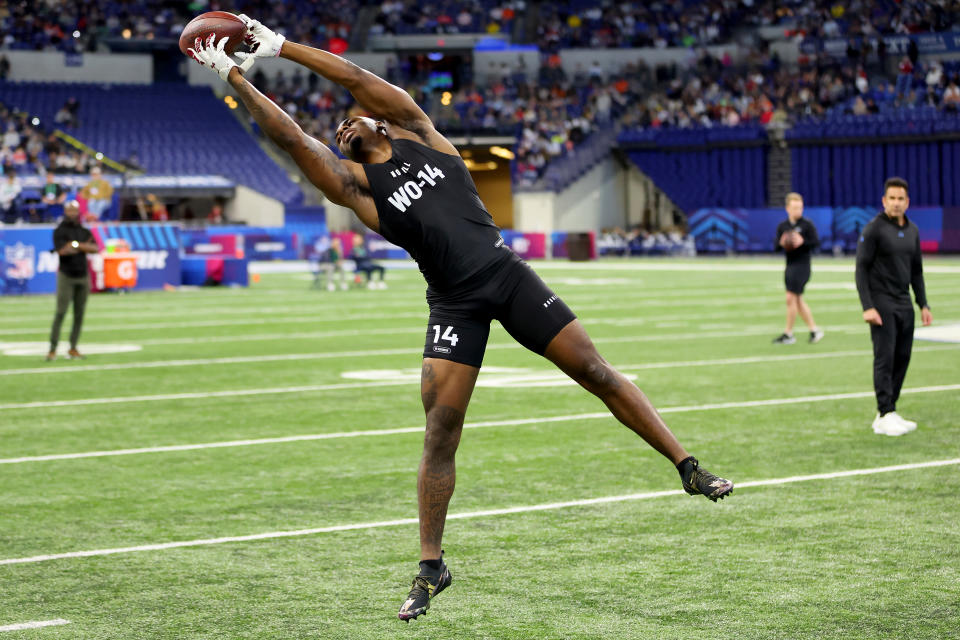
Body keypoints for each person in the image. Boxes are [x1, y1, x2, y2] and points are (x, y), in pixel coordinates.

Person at [189, 24, 734, 622]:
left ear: (381, 121)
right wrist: (234, 75)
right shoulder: (357, 187)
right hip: (453, 302)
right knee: (441, 431)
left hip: (506, 275)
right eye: (338, 130)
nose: (342, 127)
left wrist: (280, 47)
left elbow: (356, 79)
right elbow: (294, 140)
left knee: (598, 372)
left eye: (352, 119)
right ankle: (431, 566)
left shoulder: (422, 132)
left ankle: (687, 467)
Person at [855, 177, 932, 437]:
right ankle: (885, 411)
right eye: (892, 198)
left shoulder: (912, 230)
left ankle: (888, 411)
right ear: (884, 200)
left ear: (907, 202)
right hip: (881, 304)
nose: (896, 203)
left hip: (904, 303)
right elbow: (861, 269)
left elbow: (917, 271)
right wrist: (868, 306)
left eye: (901, 199)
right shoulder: (873, 229)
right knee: (884, 359)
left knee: (902, 358)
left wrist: (923, 303)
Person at [47, 200, 98, 361]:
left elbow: (95, 248)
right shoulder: (59, 231)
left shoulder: (83, 230)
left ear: (78, 212)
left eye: (74, 210)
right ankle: (52, 349)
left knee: (79, 314)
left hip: (83, 275)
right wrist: (81, 247)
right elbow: (62, 251)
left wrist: (75, 245)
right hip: (66, 275)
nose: (72, 213)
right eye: (69, 210)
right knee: (61, 312)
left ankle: (73, 347)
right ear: (65, 211)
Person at [772, 193, 824, 345]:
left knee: (790, 298)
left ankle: (788, 333)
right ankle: (814, 330)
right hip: (790, 266)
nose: (798, 211)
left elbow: (816, 244)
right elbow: (775, 247)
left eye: (800, 207)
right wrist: (781, 243)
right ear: (788, 208)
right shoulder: (783, 226)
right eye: (795, 208)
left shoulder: (807, 225)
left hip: (803, 266)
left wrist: (803, 242)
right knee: (798, 301)